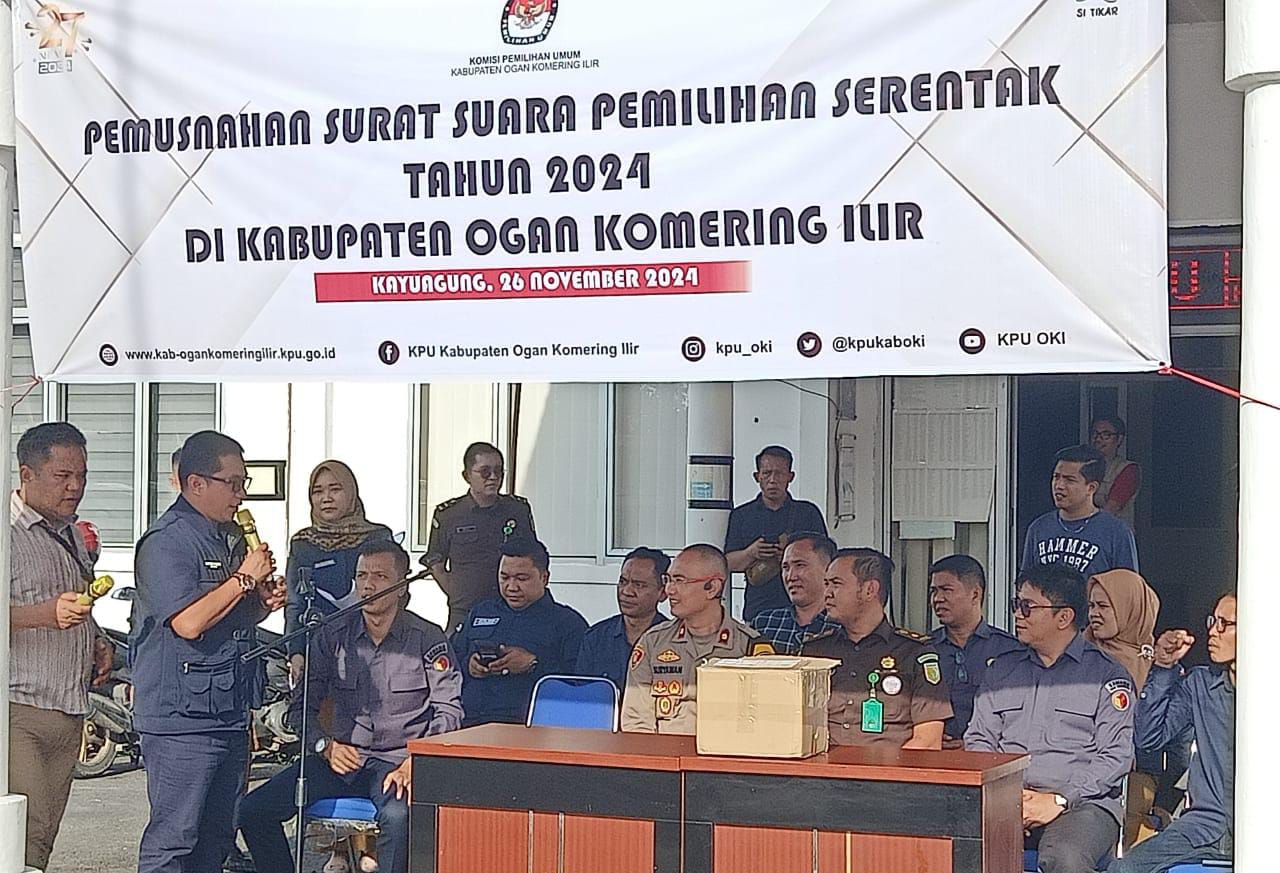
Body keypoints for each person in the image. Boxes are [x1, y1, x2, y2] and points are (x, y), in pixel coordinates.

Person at [239, 540, 463, 873]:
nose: (368, 585)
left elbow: (449, 712)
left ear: (402, 586)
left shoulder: (426, 638)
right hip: (341, 759)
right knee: (253, 811)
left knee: (398, 817)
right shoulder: (333, 634)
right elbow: (301, 706)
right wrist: (324, 745)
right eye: (361, 576)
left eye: (380, 576)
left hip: (398, 762)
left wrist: (418, 762)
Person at [130, 430, 287, 873]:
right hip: (182, 719)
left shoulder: (228, 536)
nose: (240, 494)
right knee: (174, 840)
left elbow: (226, 618)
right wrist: (243, 579)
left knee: (216, 839)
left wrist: (260, 603)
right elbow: (189, 622)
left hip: (228, 710)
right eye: (232, 483)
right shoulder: (167, 541)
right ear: (196, 483)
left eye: (243, 483)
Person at [966, 564, 1134, 873]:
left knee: (1064, 857)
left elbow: (1116, 755)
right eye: (1016, 604)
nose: (1017, 614)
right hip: (1004, 800)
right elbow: (979, 740)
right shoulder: (1002, 670)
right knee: (952, 846)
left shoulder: (1106, 675)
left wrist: (1058, 799)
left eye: (1027, 607)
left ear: (1064, 617)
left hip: (1082, 804)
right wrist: (1007, 797)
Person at [8, 422, 112, 871]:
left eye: (82, 476)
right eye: (62, 476)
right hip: (17, 707)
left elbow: (76, 601)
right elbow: (45, 609)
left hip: (69, 707)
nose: (75, 487)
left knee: (44, 834)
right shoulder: (7, 531)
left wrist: (98, 639)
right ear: (26, 474)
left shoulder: (70, 532)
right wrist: (44, 614)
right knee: (22, 831)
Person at [1107, 593, 1235, 873]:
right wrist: (1163, 667)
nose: (1213, 631)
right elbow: (1149, 738)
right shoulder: (1201, 684)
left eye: (1225, 624)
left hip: (1264, 827)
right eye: (1213, 621)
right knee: (1123, 869)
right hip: (1203, 826)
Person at [802, 549, 951, 749]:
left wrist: (889, 769)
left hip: (891, 767)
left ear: (869, 590)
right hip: (820, 766)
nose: (827, 593)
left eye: (836, 584)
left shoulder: (914, 652)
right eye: (826, 584)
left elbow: (928, 740)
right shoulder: (814, 652)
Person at [622, 544, 767, 734]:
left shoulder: (749, 647)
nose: (669, 590)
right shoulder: (652, 643)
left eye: (679, 580)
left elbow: (763, 723)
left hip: (725, 751)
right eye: (668, 580)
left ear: (712, 587)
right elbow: (636, 723)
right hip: (664, 751)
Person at [453, 538, 587, 726]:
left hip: (529, 728)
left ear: (544, 578)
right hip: (470, 722)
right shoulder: (481, 612)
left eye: (522, 579)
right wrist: (470, 664)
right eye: (504, 577)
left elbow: (581, 685)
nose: (512, 587)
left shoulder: (567, 623)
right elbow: (452, 659)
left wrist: (533, 665)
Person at [285, 460, 393, 682]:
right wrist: (296, 652)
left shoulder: (377, 537)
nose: (326, 498)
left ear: (351, 492)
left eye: (335, 489)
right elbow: (295, 602)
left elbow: (394, 596)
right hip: (319, 648)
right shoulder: (303, 543)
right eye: (317, 491)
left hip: (371, 648)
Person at [424, 442, 536, 636]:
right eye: (485, 472)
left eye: (498, 471)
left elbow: (533, 555)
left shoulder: (517, 510)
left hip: (510, 609)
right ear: (467, 475)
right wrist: (456, 592)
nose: (493, 477)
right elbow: (435, 561)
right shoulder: (448, 514)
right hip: (465, 612)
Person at [926, 554, 1022, 748]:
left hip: (990, 754)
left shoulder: (1010, 650)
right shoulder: (923, 649)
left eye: (947, 590)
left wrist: (973, 744)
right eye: (934, 591)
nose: (937, 599)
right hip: (935, 753)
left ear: (975, 594)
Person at [724, 445, 828, 623]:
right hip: (759, 610)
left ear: (790, 477)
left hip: (806, 609)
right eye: (767, 473)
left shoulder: (807, 513)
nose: (773, 480)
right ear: (757, 477)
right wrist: (752, 552)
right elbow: (727, 563)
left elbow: (826, 558)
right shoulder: (742, 515)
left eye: (779, 474)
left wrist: (791, 556)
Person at [1021, 444, 1139, 577]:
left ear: (1091, 487)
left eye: (1069, 480)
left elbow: (1128, 586)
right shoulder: (1038, 528)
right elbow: (1026, 582)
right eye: (1056, 477)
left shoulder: (1116, 532)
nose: (1059, 486)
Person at [575, 547, 670, 691]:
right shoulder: (596, 637)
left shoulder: (673, 639)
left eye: (639, 585)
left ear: (662, 593)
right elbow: (582, 693)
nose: (626, 591)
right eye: (623, 581)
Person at [750, 532, 840, 654]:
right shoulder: (764, 623)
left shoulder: (842, 626)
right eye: (786, 568)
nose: (790, 577)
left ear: (828, 569)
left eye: (800, 565)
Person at [1085, 570, 1160, 690]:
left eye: (1103, 606)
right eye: (1091, 606)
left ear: (1131, 609)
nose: (1093, 613)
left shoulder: (1159, 663)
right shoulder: (1076, 654)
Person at [1090, 417, 1141, 527]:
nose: (1098, 439)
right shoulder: (1083, 466)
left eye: (1106, 434)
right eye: (1095, 433)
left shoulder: (1128, 470)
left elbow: (1112, 508)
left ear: (1119, 439)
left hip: (1114, 533)